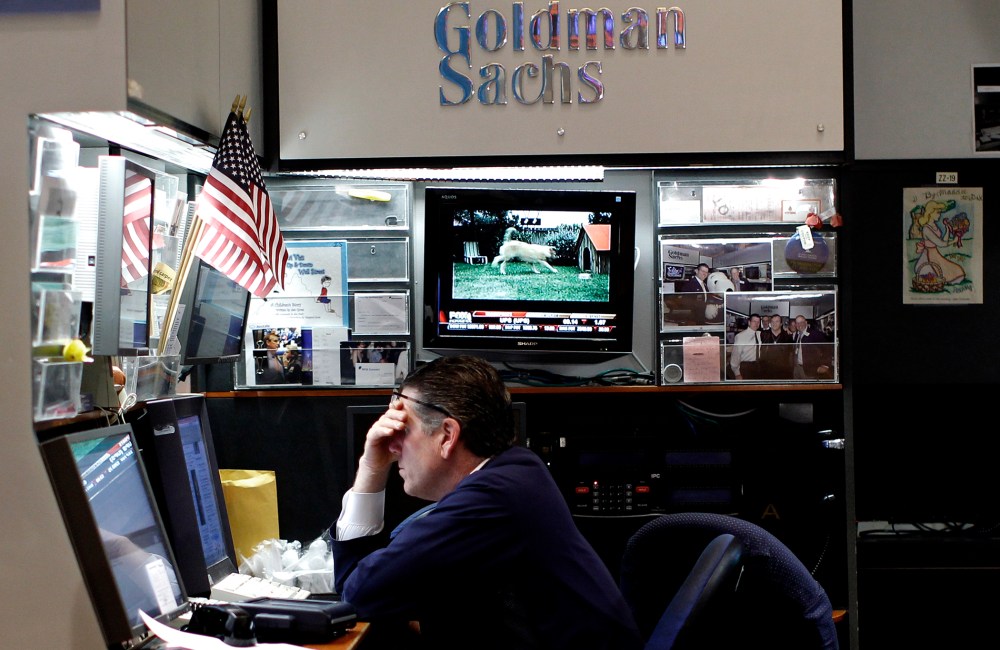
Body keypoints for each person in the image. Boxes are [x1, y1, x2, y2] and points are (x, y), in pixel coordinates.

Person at [330, 355, 643, 650]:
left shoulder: (493, 501)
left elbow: (357, 596)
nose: (392, 446)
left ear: (447, 435)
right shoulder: (517, 470)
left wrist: (371, 468)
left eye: (403, 428)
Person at [791, 315, 832, 379]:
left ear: (806, 323)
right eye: (797, 323)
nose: (799, 325)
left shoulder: (815, 334)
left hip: (810, 370)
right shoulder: (797, 335)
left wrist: (825, 365)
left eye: (801, 322)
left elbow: (827, 348)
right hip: (797, 368)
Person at [759, 314, 793, 379]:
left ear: (781, 324)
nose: (774, 323)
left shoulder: (787, 336)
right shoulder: (763, 334)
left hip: (783, 370)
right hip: (767, 370)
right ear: (770, 323)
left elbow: (791, 354)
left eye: (777, 321)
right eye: (772, 322)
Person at [729, 313, 762, 380]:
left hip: (758, 367)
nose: (756, 324)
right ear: (749, 322)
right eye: (754, 321)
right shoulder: (740, 336)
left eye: (758, 322)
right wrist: (737, 373)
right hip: (745, 367)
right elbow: (736, 356)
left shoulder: (759, 334)